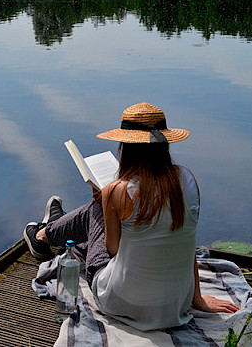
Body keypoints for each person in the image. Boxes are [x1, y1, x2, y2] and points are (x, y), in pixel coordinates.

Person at [24, 102, 240, 331]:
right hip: (175, 304)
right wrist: (197, 300)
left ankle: (43, 234)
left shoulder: (117, 190)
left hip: (121, 302)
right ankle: (51, 229)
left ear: (126, 146)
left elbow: (113, 250)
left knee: (94, 211)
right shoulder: (187, 180)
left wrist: (107, 205)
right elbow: (187, 244)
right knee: (100, 215)